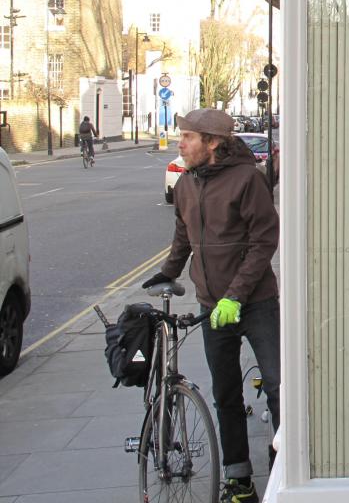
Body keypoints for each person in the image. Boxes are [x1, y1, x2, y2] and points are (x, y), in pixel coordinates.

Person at [142, 108, 280, 503]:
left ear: (213, 143)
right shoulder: (185, 185)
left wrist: (235, 296)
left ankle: (283, 464)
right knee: (225, 394)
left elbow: (263, 241)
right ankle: (238, 479)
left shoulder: (247, 180)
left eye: (188, 137)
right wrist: (166, 273)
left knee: (276, 386)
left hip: (256, 303)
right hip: (211, 306)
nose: (180, 143)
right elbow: (183, 236)